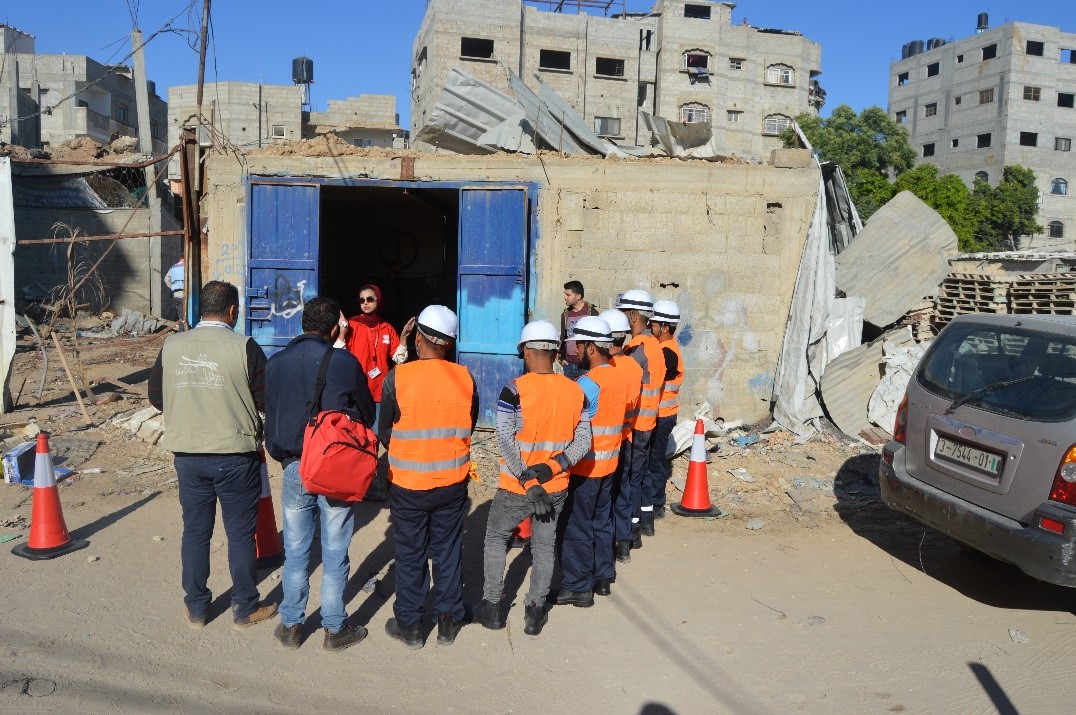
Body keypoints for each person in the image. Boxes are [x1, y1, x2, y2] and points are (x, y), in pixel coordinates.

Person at [148, 280, 277, 630]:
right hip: (235, 455)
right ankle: (245, 607)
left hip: (188, 455)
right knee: (239, 534)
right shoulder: (246, 347)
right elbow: (265, 401)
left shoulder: (172, 346)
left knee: (195, 532)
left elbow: (157, 397)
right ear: (232, 311)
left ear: (200, 308)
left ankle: (196, 608)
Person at [264, 296, 375, 652]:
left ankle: (292, 625)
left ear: (301, 325)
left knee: (295, 551)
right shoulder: (345, 362)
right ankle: (334, 628)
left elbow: (270, 412)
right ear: (333, 329)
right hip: (336, 466)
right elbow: (366, 413)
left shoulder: (276, 362)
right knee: (334, 549)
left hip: (295, 466)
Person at [474, 320, 591, 637]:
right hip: (555, 487)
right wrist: (553, 468)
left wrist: (528, 479)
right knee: (543, 547)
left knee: (497, 538)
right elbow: (583, 442)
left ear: (526, 350)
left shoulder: (514, 389)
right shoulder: (575, 391)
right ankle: (536, 611)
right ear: (554, 352)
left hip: (517, 486)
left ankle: (493, 606)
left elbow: (505, 438)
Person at [379, 305, 478, 649]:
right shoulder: (465, 378)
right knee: (448, 549)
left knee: (410, 553)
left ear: (418, 338)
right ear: (448, 344)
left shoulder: (397, 377)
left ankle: (410, 625)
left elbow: (384, 432)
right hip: (452, 482)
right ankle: (447, 621)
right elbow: (469, 422)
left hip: (408, 484)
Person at [557, 316, 632, 603]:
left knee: (578, 524)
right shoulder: (618, 376)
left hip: (586, 466)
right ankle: (603, 577)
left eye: (578, 344)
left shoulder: (587, 384)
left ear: (590, 348)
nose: (575, 349)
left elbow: (570, 423)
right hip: (610, 462)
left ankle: (577, 587)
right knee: (603, 519)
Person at [615, 289, 663, 553]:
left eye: (623, 314)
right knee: (641, 476)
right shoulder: (654, 345)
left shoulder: (636, 349)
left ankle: (631, 532)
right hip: (649, 420)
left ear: (633, 316)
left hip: (636, 424)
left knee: (630, 480)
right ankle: (646, 522)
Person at [600, 308, 642, 564]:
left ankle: (606, 548)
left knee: (604, 497)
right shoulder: (634, 367)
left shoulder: (604, 369)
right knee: (623, 491)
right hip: (626, 437)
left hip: (605, 442)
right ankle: (624, 543)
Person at [344, 284, 413, 425]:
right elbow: (340, 354)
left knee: (376, 435)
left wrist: (404, 336)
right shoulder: (351, 325)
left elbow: (399, 359)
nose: (365, 303)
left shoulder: (387, 328)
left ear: (378, 300)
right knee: (358, 435)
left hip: (379, 389)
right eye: (361, 300)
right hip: (356, 389)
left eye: (370, 299)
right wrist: (342, 332)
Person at [643, 300, 684, 531]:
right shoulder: (663, 349)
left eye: (654, 323)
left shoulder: (668, 353)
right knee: (652, 458)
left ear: (665, 327)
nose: (650, 327)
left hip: (664, 414)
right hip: (659, 413)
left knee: (656, 460)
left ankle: (657, 504)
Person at [559, 281, 599, 380]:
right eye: (565, 294)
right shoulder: (565, 314)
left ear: (578, 296)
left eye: (568, 294)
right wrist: (562, 357)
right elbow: (564, 337)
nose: (565, 297)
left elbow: (597, 338)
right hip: (569, 364)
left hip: (586, 365)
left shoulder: (591, 312)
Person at [165, 258, 185, 326]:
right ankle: (185, 332)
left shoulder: (173, 267)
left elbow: (166, 279)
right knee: (186, 316)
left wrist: (172, 287)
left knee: (180, 316)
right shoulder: (186, 267)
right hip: (184, 294)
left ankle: (181, 330)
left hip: (176, 295)